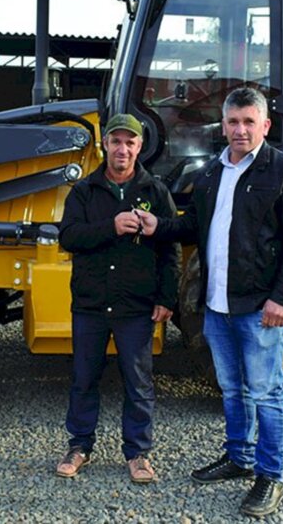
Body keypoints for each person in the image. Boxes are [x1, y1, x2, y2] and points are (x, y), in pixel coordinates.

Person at [135, 87, 283, 517]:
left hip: (260, 308)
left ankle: (270, 476)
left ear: (265, 125)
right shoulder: (214, 173)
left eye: (248, 122)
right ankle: (239, 457)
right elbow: (194, 226)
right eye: (233, 122)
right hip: (216, 304)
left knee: (267, 391)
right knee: (232, 388)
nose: (239, 130)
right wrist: (155, 225)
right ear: (224, 124)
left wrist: (282, 300)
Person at [55, 113, 180, 484]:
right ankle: (79, 446)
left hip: (136, 306)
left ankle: (138, 454)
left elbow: (170, 250)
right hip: (92, 304)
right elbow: (69, 237)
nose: (122, 149)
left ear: (140, 147)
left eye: (130, 142)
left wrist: (166, 297)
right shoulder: (84, 192)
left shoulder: (155, 193)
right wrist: (110, 227)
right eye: (116, 141)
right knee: (84, 378)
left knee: (139, 381)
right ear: (104, 145)